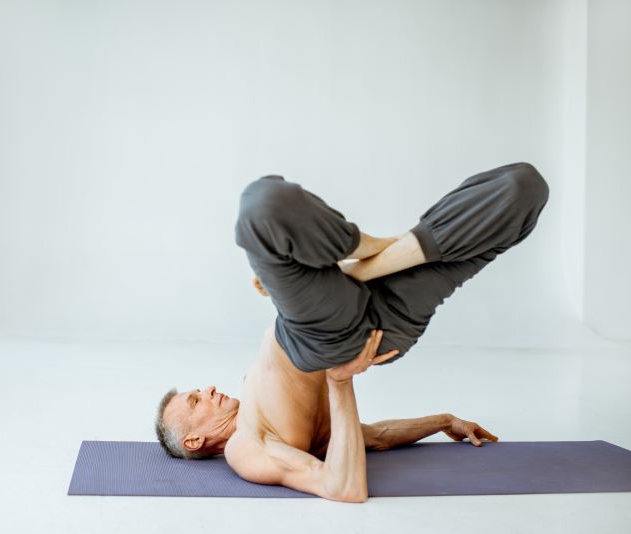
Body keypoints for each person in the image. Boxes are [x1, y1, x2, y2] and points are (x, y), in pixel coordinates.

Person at [155, 162, 549, 502]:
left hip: (338, 320)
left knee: (524, 183)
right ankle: (374, 254)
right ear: (194, 441)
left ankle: (367, 261)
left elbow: (377, 436)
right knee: (259, 208)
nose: (205, 389)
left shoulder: (260, 400)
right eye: (194, 402)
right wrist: (340, 381)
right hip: (346, 337)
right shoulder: (246, 448)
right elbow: (345, 486)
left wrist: (444, 422)